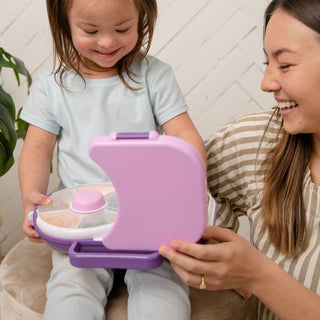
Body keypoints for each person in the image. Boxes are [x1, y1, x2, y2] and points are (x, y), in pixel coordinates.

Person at [18, 0, 206, 319]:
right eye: (90, 31)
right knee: (71, 286)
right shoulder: (51, 85)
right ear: (64, 24)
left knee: (163, 285)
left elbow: (186, 137)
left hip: (146, 215)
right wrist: (30, 201)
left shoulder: (154, 75)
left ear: (142, 19)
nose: (107, 42)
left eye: (122, 29)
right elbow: (37, 148)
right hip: (80, 221)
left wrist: (189, 194)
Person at [159, 0, 320, 319]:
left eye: (285, 65)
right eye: (267, 63)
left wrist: (257, 274)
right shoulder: (260, 139)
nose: (267, 83)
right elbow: (174, 184)